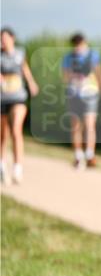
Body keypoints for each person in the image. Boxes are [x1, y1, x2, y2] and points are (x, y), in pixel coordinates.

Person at [1, 28, 39, 184]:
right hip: (2, 98)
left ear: (12, 38)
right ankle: (2, 165)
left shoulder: (20, 53)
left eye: (5, 38)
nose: (3, 42)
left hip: (18, 97)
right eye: (1, 39)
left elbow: (24, 68)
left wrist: (31, 83)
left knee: (16, 129)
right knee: (3, 135)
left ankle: (17, 167)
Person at [61, 33, 101, 169]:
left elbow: (99, 73)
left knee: (90, 125)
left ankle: (90, 154)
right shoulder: (68, 58)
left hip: (90, 93)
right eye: (76, 44)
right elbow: (65, 76)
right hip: (74, 93)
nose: (78, 46)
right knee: (76, 126)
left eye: (80, 43)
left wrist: (100, 89)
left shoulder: (93, 56)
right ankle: (78, 156)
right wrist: (74, 77)